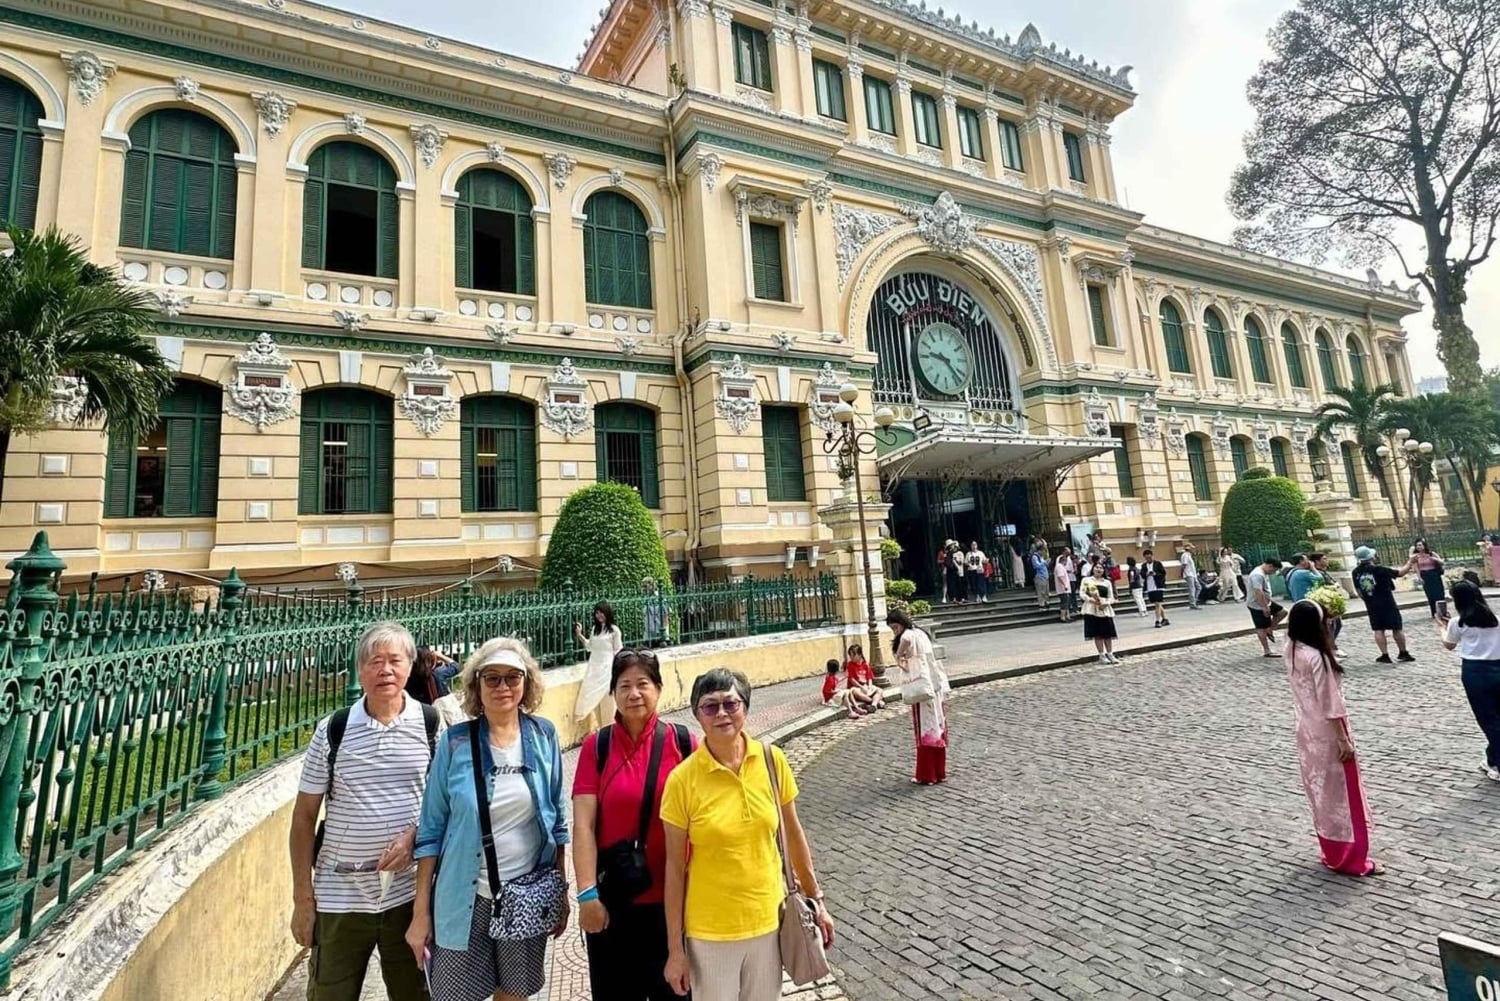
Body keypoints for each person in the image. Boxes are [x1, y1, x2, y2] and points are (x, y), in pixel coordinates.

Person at [408, 637, 570, 1001]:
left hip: (525, 894)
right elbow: (431, 832)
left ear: (526, 683)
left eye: (512, 677)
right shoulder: (454, 744)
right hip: (462, 898)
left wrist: (560, 893)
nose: (503, 686)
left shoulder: (543, 736)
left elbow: (558, 822)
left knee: (513, 995)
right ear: (476, 686)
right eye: (491, 678)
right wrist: (421, 914)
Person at [660, 669, 836, 1001]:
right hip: (709, 933)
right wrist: (675, 949)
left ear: (745, 707)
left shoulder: (772, 760)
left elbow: (794, 838)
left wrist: (819, 902)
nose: (722, 713)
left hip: (768, 922)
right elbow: (674, 868)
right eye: (710, 706)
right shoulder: (682, 780)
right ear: (697, 715)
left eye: (731, 703)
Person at [289, 622, 438, 1001]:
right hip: (340, 897)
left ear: (409, 667)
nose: (385, 670)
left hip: (408, 897)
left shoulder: (431, 725)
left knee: (415, 994)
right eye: (374, 662)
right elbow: (304, 817)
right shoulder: (333, 730)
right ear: (360, 670)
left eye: (394, 661)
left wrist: (415, 836)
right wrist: (303, 900)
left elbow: (445, 808)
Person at [572, 649, 698, 1001]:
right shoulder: (597, 747)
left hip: (675, 905)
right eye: (624, 685)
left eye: (643, 684)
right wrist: (587, 896)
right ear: (612, 692)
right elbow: (583, 825)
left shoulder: (684, 743)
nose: (634, 694)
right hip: (614, 904)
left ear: (658, 688)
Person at [1283, 600, 1384, 877]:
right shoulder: (1318, 657)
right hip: (1329, 732)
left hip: (1306, 729)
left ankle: (1330, 850)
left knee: (1321, 794)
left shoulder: (1291, 649)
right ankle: (1352, 858)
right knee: (1343, 795)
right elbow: (1331, 703)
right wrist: (1343, 740)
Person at [1439, 580, 1500, 783]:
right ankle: (1492, 759)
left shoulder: (1458, 622)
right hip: (1497, 667)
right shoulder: (1496, 620)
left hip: (1475, 672)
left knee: (1488, 719)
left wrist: (1441, 627)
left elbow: (1449, 645)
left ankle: (1497, 763)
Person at [886, 608, 950, 785]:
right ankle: (939, 771)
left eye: (894, 628)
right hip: (934, 684)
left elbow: (899, 658)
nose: (895, 632)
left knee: (925, 729)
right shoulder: (921, 633)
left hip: (920, 686)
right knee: (936, 726)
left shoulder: (907, 636)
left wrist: (903, 663)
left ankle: (927, 774)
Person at [1351, 546, 1416, 664]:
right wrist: (1410, 562)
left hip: (1371, 603)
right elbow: (1400, 573)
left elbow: (1358, 590)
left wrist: (1367, 600)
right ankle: (1403, 652)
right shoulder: (1378, 569)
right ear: (1371, 557)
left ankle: (1384, 654)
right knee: (1396, 627)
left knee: (1378, 629)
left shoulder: (1355, 572)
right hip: (1387, 601)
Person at [575, 601, 624, 732]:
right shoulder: (594, 630)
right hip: (594, 669)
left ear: (607, 612)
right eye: (597, 613)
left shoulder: (614, 630)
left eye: (601, 612)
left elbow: (618, 650)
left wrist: (616, 669)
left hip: (607, 668)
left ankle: (611, 729)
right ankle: (603, 730)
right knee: (593, 699)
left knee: (608, 700)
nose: (599, 615)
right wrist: (579, 635)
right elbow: (589, 646)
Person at [1246, 557, 1288, 658]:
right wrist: (1264, 607)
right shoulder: (1257, 575)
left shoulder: (1263, 572)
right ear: (1270, 566)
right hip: (1257, 604)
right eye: (1273, 570)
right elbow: (1258, 592)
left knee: (1282, 612)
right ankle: (1267, 650)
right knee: (1261, 627)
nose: (1273, 573)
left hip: (1266, 601)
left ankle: (1270, 628)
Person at [1080, 562, 1119, 664]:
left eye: (1101, 568)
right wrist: (1092, 600)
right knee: (1097, 633)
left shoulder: (1107, 582)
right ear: (1093, 569)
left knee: (1107, 633)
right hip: (1092, 609)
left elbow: (1111, 596)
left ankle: (1110, 653)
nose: (1099, 569)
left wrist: (1106, 603)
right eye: (1097, 567)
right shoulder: (1087, 580)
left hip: (1104, 609)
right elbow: (1082, 593)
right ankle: (1101, 654)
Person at [1407, 539, 1447, 618]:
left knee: (1439, 594)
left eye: (1420, 545)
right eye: (1417, 545)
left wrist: (1434, 559)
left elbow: (1442, 562)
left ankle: (1442, 612)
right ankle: (1434, 613)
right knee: (1430, 595)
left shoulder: (1431, 554)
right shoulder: (1416, 557)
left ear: (1424, 545)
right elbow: (1416, 568)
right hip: (1425, 575)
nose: (1419, 547)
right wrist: (1419, 577)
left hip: (1434, 575)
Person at [843, 644, 885, 710]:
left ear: (859, 655)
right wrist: (861, 687)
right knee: (854, 691)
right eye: (850, 655)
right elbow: (852, 680)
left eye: (853, 655)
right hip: (857, 687)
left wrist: (870, 687)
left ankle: (873, 705)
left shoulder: (865, 665)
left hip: (865, 686)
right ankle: (875, 701)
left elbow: (869, 678)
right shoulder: (850, 665)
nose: (851, 657)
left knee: (879, 690)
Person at [1141, 549, 1169, 628]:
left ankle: (1157, 620)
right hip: (1150, 587)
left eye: (1149, 557)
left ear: (1152, 556)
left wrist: (1155, 574)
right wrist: (1146, 574)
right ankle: (1165, 619)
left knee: (1157, 603)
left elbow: (1163, 573)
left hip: (1158, 586)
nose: (1148, 559)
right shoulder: (1144, 566)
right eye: (1146, 558)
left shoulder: (1158, 564)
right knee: (1158, 603)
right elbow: (1142, 574)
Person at [1052, 549, 1075, 623]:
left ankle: (1067, 616)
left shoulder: (1062, 567)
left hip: (1065, 588)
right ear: (1063, 561)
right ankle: (1063, 617)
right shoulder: (1059, 567)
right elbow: (1060, 576)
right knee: (1064, 603)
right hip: (1063, 589)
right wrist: (1065, 585)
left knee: (1066, 602)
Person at [1179, 543, 1201, 609]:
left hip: (1192, 574)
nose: (1193, 550)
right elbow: (1183, 565)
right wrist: (1181, 574)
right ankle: (1192, 603)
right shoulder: (1185, 555)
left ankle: (1194, 601)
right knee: (1192, 589)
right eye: (1192, 548)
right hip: (1188, 574)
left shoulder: (1189, 555)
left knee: (1198, 587)